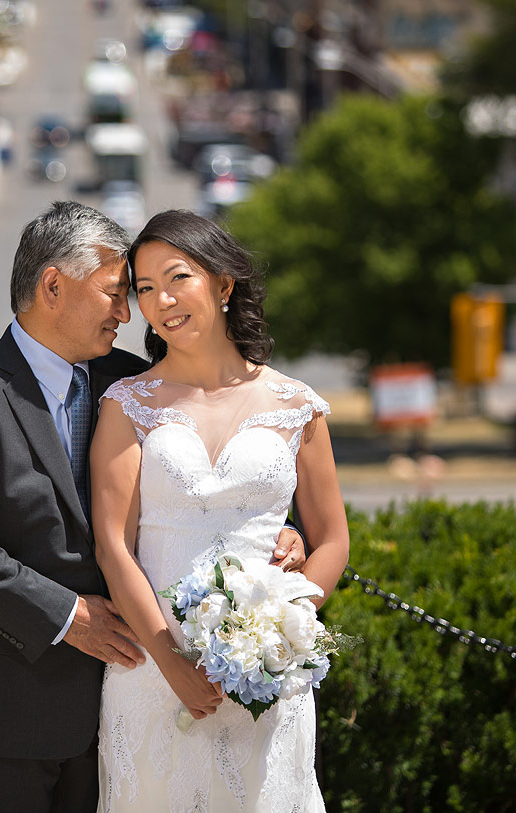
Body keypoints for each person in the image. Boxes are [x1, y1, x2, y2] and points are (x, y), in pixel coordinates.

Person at [0, 201, 307, 812]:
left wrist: (286, 534)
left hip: (122, 706)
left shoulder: (132, 383)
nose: (129, 314)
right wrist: (70, 616)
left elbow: (217, 470)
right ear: (53, 286)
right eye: (115, 293)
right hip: (6, 714)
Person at [91, 209, 350, 812]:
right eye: (145, 289)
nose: (161, 301)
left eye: (177, 278)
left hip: (266, 682)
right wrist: (171, 661)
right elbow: (113, 546)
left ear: (224, 283)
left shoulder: (297, 404)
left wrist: (277, 633)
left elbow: (332, 540)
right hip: (152, 675)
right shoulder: (127, 403)